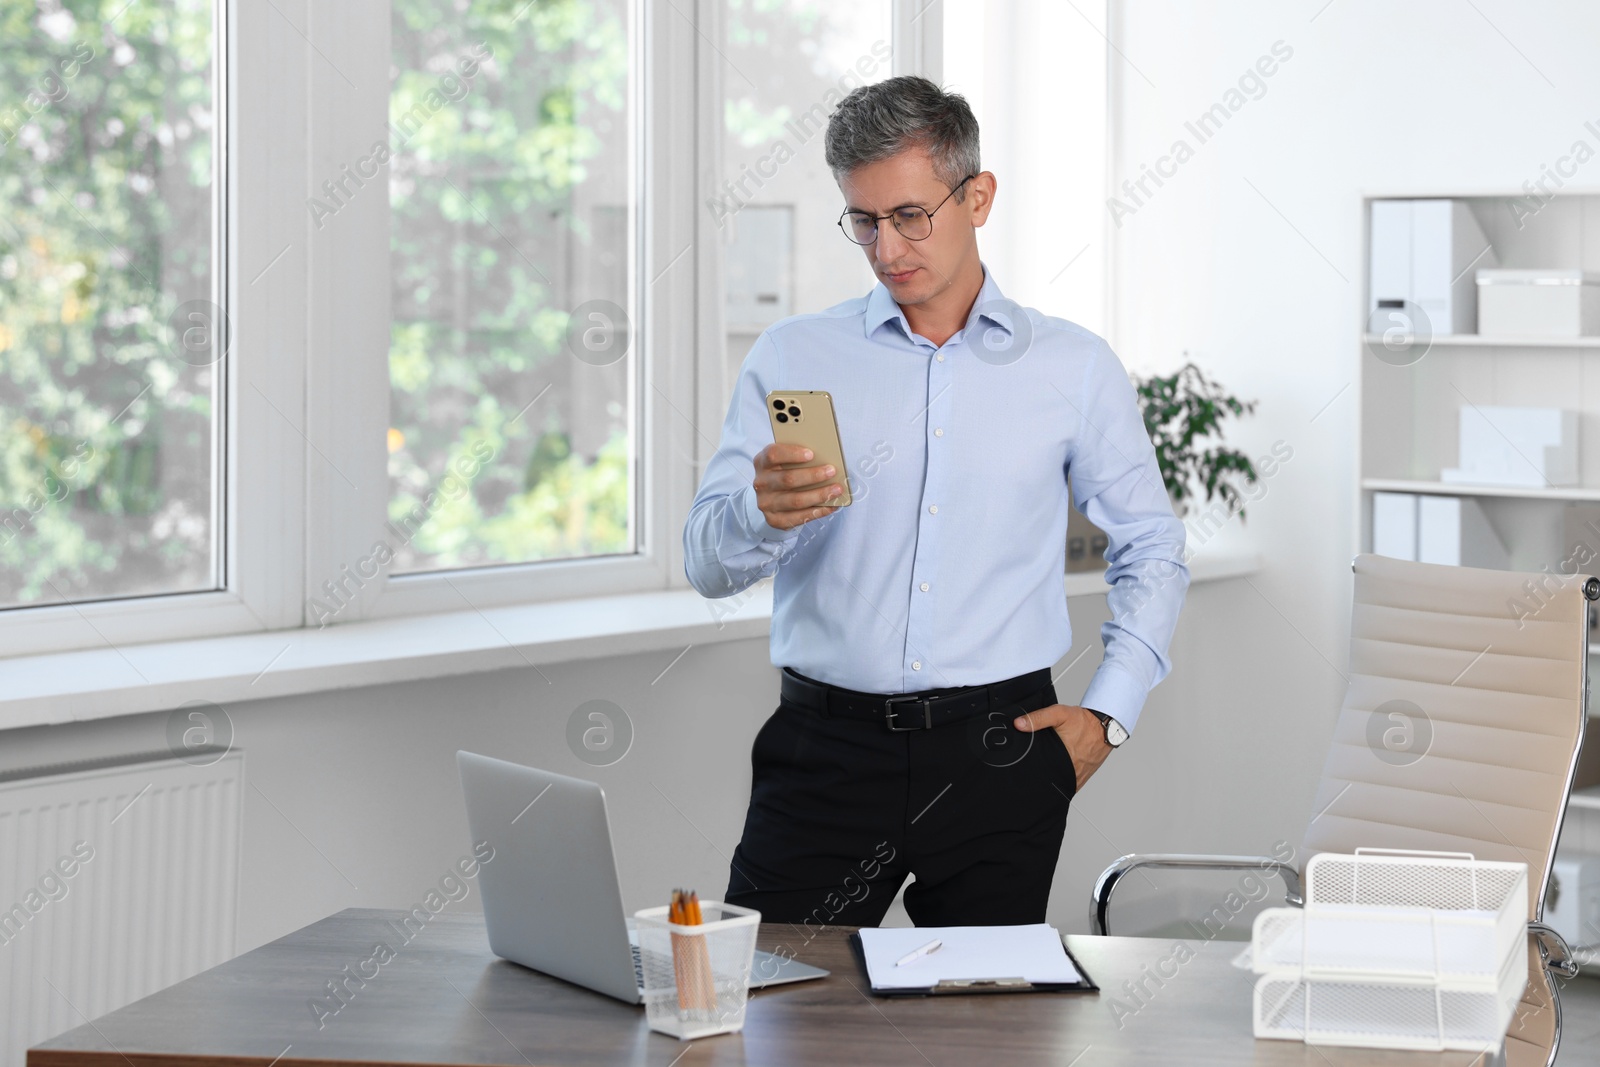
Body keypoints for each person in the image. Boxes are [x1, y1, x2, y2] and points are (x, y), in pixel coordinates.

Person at [682, 75, 1188, 927]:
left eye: (910, 215)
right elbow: (705, 561)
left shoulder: (1072, 367)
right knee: (776, 1024)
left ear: (978, 196)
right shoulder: (795, 354)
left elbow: (1152, 545)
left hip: (1002, 750)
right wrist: (757, 515)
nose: (887, 249)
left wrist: (1109, 713)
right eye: (865, 221)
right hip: (823, 754)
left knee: (983, 1036)